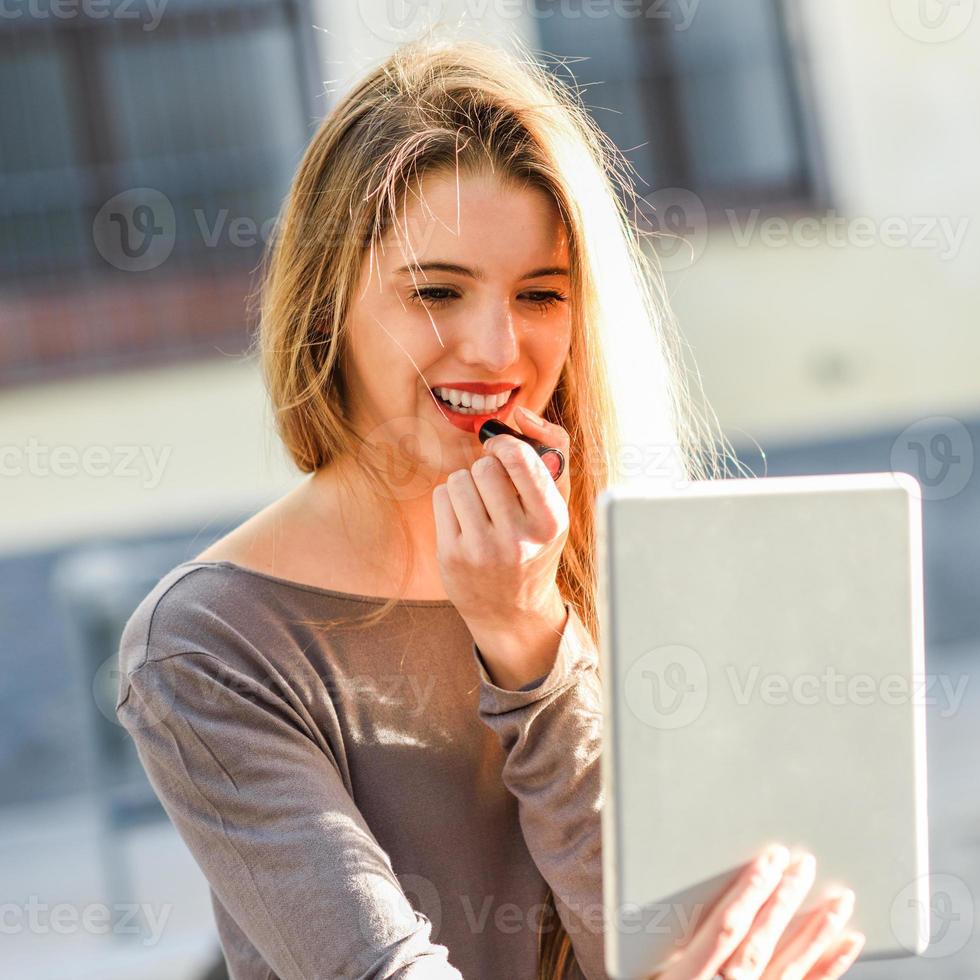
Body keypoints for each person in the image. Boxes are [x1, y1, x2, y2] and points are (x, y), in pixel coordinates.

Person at [114, 37, 865, 980]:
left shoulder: (629, 560)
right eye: (436, 292)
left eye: (541, 294)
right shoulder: (208, 646)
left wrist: (529, 639)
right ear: (324, 307)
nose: (497, 346)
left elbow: (662, 942)